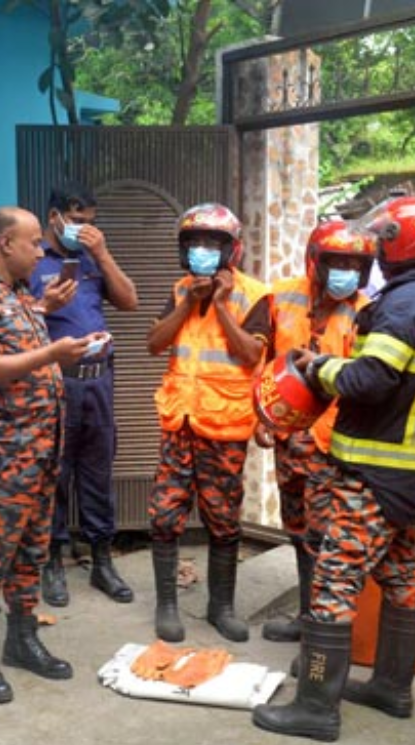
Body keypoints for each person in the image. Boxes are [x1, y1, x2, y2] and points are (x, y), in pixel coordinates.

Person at [252, 194, 415, 743]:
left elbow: (370, 379)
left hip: (373, 470)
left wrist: (318, 368)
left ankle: (316, 706)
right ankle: (392, 688)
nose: (376, 249)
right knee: (397, 578)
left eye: (382, 239)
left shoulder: (398, 307)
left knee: (332, 583)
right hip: (413, 473)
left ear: (401, 245)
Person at [0, 206, 95, 704]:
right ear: (6, 243)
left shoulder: (14, 293)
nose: (41, 251)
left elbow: (15, 332)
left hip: (37, 449)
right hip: (1, 456)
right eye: (34, 243)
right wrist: (53, 354)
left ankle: (23, 637)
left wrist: (44, 309)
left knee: (32, 550)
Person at [146, 202, 269, 644]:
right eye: (194, 242)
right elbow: (154, 343)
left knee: (222, 519)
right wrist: (188, 304)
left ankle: (221, 607)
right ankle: (167, 606)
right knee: (164, 517)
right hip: (179, 423)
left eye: (211, 243)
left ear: (230, 250)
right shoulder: (180, 289)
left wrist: (218, 305)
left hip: (225, 428)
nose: (202, 250)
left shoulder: (255, 295)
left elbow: (252, 354)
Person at [252, 219, 375, 643]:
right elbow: (262, 356)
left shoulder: (368, 312)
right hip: (288, 436)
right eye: (336, 261)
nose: (345, 270)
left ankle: (324, 633)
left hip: (331, 443)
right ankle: (307, 616)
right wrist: (261, 417)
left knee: (326, 538)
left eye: (354, 263)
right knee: (298, 529)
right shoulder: (281, 296)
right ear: (316, 262)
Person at [30, 181, 139, 607]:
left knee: (97, 471)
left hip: (98, 380)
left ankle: (102, 562)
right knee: (54, 474)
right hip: (55, 382)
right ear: (54, 216)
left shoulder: (93, 259)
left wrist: (103, 253)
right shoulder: (33, 260)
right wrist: (46, 307)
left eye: (90, 222)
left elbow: (129, 300)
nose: (83, 229)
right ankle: (52, 562)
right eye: (77, 222)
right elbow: (16, 320)